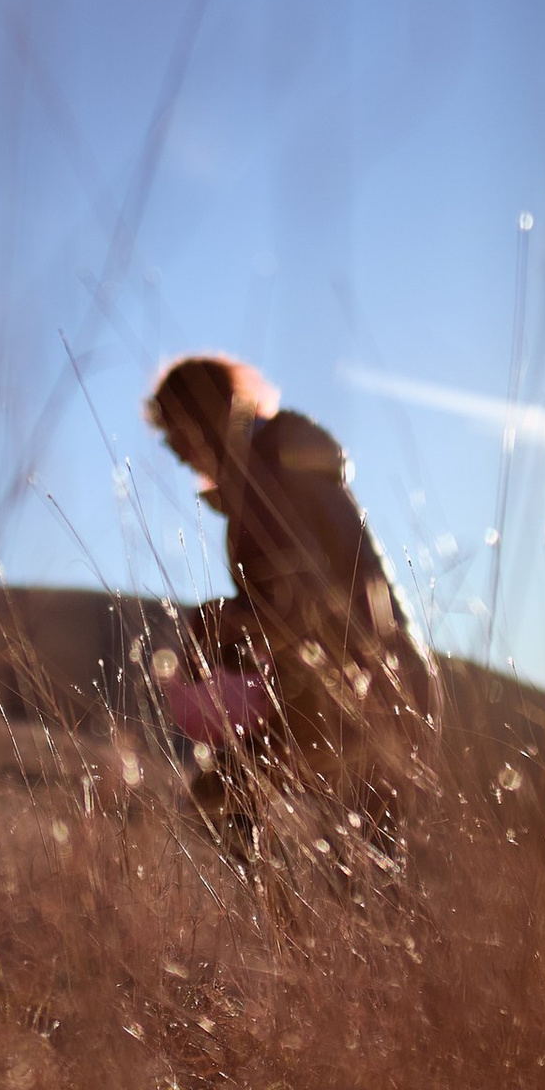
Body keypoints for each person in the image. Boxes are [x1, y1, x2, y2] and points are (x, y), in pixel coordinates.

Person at [142, 353, 443, 850]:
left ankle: (288, 926)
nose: (174, 453)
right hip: (366, 683)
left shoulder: (266, 469)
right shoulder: (266, 464)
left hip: (361, 689)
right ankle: (291, 926)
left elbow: (309, 599)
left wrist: (222, 621)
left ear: (203, 416)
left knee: (235, 810)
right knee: (362, 870)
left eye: (174, 432)